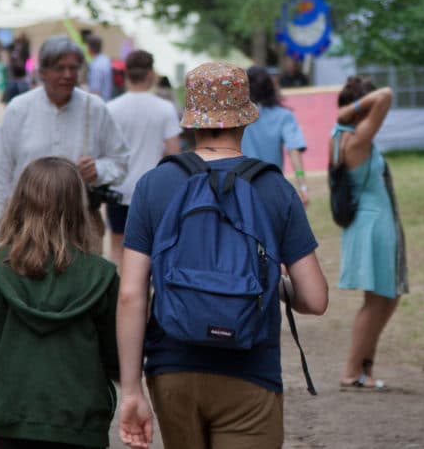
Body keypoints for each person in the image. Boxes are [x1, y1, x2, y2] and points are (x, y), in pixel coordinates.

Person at [116, 63, 330, 449]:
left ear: (191, 121)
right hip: (250, 371)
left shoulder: (154, 185)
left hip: (172, 370)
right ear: (245, 120)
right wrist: (274, 284)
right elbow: (314, 299)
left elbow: (131, 295)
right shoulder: (274, 188)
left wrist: (131, 391)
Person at [0, 156, 120, 449]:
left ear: (18, 203)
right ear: (79, 209)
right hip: (80, 419)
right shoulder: (103, 276)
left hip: (11, 414)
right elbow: (116, 357)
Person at [0, 36, 131, 249]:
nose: (68, 75)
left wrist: (98, 170)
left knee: (83, 282)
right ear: (42, 72)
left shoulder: (94, 108)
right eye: (60, 68)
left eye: (74, 68)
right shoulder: (19, 109)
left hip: (80, 226)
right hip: (26, 224)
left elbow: (121, 161)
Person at [331, 77, 407, 389]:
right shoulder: (356, 138)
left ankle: (365, 370)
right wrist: (351, 109)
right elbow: (386, 94)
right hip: (373, 223)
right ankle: (351, 372)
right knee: (377, 300)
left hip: (376, 221)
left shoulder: (344, 136)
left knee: (387, 298)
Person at [104, 50, 180, 264]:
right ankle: (145, 294)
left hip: (118, 189)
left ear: (127, 74)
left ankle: (118, 293)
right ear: (150, 74)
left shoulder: (111, 108)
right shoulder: (165, 109)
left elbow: (105, 151)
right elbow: (174, 152)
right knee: (151, 246)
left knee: (117, 245)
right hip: (152, 190)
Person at [241, 66, 309, 205]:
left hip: (240, 188)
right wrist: (302, 186)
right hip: (272, 188)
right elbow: (294, 150)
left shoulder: (236, 117)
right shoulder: (284, 116)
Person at [84, 33, 114, 99]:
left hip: (99, 103)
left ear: (90, 47)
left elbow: (95, 91)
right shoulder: (106, 60)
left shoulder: (95, 65)